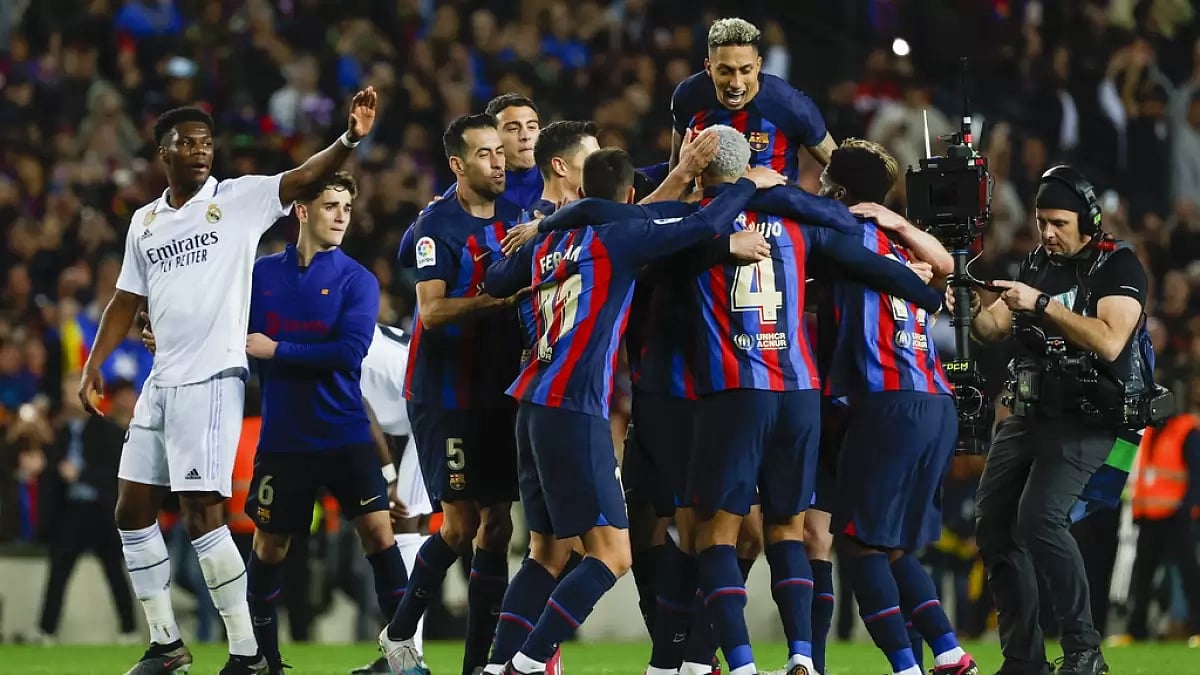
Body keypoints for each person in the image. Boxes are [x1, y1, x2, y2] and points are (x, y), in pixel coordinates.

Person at [78, 89, 377, 675]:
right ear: (162, 152)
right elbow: (125, 298)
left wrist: (349, 139)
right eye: (187, 143)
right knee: (130, 509)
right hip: (161, 381)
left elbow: (301, 177)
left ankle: (248, 654)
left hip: (211, 379)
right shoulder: (147, 221)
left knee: (202, 517)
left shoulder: (237, 200)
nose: (200, 152)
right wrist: (93, 363)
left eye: (206, 143)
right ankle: (166, 643)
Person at [477, 148, 786, 675]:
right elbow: (706, 221)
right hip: (574, 406)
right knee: (612, 555)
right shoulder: (618, 236)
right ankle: (524, 666)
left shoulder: (549, 240)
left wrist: (545, 228)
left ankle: (494, 665)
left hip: (531, 403)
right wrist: (749, 185)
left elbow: (498, 280)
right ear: (628, 196)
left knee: (546, 552)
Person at [680, 126, 943, 675]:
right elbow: (888, 265)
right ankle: (805, 655)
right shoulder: (803, 228)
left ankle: (743, 665)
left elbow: (645, 242)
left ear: (703, 168)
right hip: (803, 394)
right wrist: (922, 287)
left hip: (736, 389)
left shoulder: (694, 222)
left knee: (716, 532)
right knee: (793, 532)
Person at [951, 165, 1152, 675]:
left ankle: (1084, 651)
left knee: (1040, 518)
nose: (1047, 232)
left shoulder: (1119, 267)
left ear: (1087, 219)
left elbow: (1110, 341)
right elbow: (998, 328)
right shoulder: (1038, 261)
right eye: (1042, 221)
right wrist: (972, 305)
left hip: (1090, 416)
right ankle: (1023, 659)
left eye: (1059, 222)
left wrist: (1041, 304)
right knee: (994, 526)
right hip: (1029, 411)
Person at [816, 139, 978, 675]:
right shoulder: (897, 244)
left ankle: (906, 668)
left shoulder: (837, 230)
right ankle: (950, 653)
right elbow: (951, 268)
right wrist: (903, 225)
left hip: (889, 402)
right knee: (895, 549)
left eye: (823, 184)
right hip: (934, 401)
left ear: (839, 191)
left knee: (859, 547)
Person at [231, 171, 404, 674]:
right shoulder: (260, 275)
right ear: (301, 211)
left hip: (345, 433)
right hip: (284, 440)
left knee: (379, 536)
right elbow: (222, 327)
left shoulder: (358, 279)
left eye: (347, 207)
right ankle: (263, 659)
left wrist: (276, 350)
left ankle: (400, 656)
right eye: (331, 205)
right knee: (269, 545)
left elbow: (350, 354)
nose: (342, 216)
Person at [378, 113, 529, 675]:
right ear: (457, 165)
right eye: (486, 154)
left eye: (500, 151)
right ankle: (398, 635)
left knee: (499, 525)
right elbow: (432, 311)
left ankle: (477, 667)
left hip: (498, 391)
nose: (499, 161)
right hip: (445, 394)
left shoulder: (518, 218)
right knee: (459, 525)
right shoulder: (435, 227)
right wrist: (494, 303)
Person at [351, 323, 437, 675]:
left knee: (404, 523)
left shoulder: (340, 339)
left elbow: (363, 413)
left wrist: (388, 475)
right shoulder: (356, 325)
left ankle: (405, 654)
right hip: (420, 405)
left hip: (428, 407)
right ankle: (404, 651)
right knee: (411, 528)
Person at [670, 17, 837, 182]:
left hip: (773, 207)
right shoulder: (688, 96)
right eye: (725, 71)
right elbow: (676, 172)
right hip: (707, 206)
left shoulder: (789, 105)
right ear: (709, 68)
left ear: (758, 66)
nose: (736, 83)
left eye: (745, 70)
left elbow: (840, 169)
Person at [37, 378, 138, 642]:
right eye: (66, 392)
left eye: (74, 391)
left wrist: (81, 474)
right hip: (69, 512)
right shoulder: (57, 433)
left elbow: (113, 474)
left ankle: (128, 629)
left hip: (100, 511)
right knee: (58, 573)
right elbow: (49, 476)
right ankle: (46, 631)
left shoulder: (108, 432)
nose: (70, 397)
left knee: (115, 573)